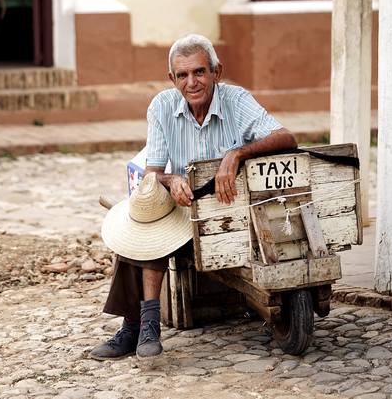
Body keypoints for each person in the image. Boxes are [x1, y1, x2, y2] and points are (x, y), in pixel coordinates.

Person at [90, 34, 297, 360]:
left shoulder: (236, 99)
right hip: (183, 212)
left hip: (231, 217)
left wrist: (237, 154)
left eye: (199, 72)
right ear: (172, 78)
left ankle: (132, 328)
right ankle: (142, 327)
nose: (192, 82)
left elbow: (286, 138)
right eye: (182, 75)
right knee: (140, 228)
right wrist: (171, 179)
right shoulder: (161, 106)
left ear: (216, 71)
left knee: (141, 228)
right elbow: (152, 173)